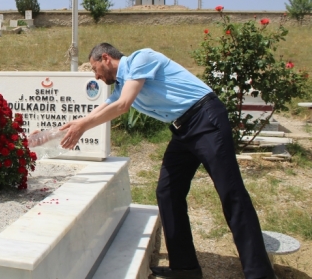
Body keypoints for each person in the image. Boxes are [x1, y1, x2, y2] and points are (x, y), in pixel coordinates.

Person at [60, 43, 276, 279]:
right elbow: (107, 105)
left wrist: (83, 126)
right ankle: (185, 267)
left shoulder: (141, 59)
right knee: (168, 192)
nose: (96, 76)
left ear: (105, 58)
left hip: (206, 119)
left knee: (231, 192)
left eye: (95, 69)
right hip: (182, 129)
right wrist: (78, 123)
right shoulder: (123, 84)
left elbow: (122, 106)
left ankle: (260, 273)